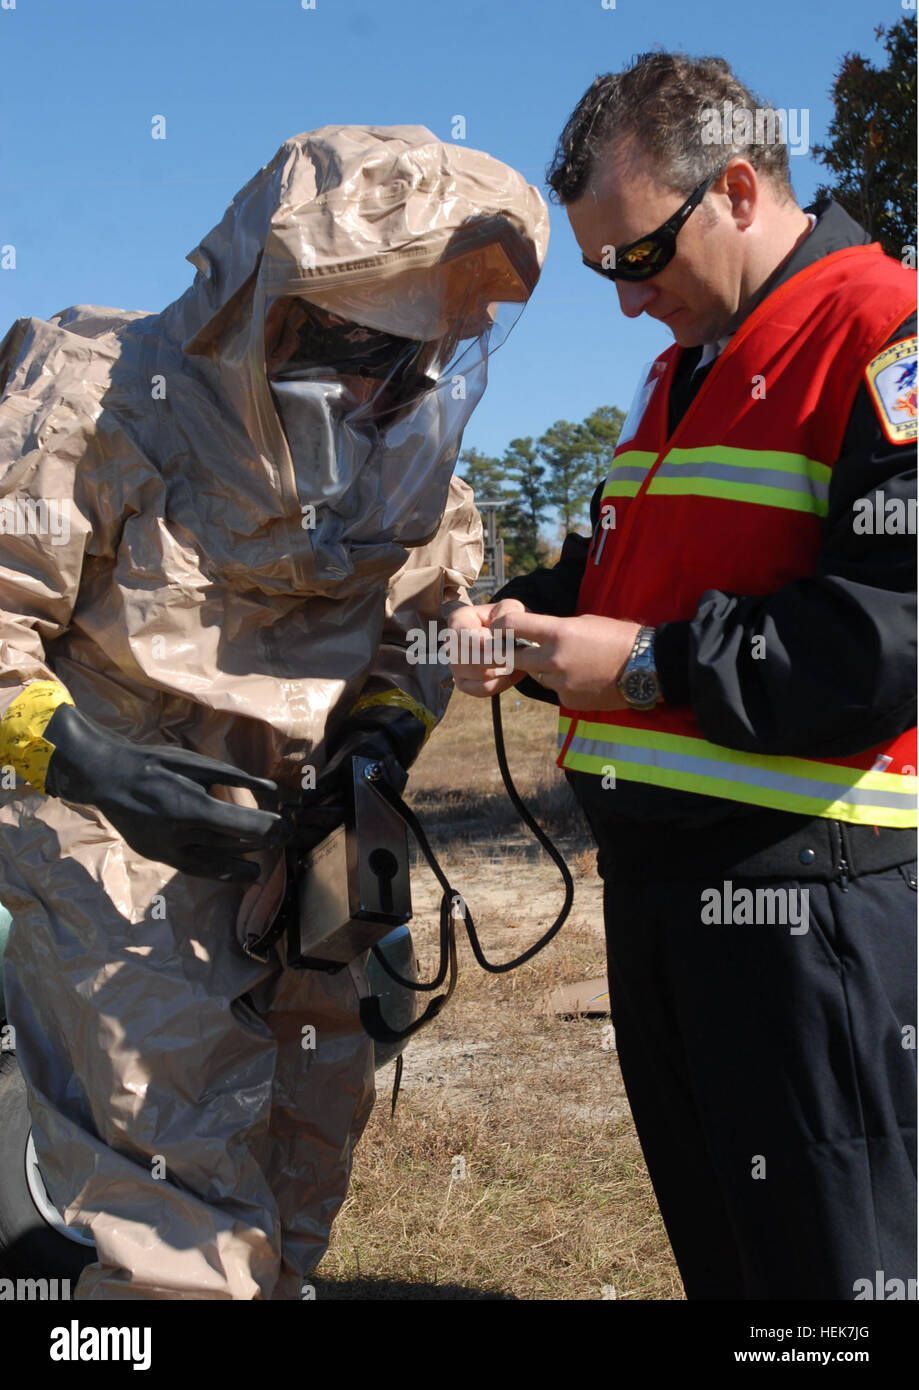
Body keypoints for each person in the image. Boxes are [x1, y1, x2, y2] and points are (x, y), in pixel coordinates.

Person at [0, 124, 548, 1300]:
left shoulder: (402, 456)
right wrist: (90, 764)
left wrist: (384, 731)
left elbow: (426, 627)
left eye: (424, 361)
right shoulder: (94, 398)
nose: (389, 392)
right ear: (272, 307)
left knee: (306, 1145)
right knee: (177, 1196)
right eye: (367, 351)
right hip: (116, 837)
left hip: (310, 838)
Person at [449, 54, 917, 1300]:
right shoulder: (680, 370)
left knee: (832, 1278)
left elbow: (889, 635)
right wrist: (527, 622)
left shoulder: (890, 328)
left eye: (637, 259)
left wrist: (652, 665)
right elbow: (621, 582)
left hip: (805, 910)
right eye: (602, 269)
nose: (622, 302)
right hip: (663, 901)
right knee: (732, 1262)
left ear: (741, 188)